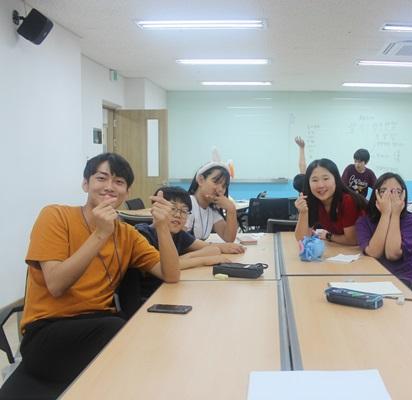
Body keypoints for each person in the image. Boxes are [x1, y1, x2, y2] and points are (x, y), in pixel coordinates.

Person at [3, 153, 180, 397]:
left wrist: (162, 227)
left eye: (119, 182)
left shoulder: (127, 234)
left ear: (127, 192)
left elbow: (170, 274)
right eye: (101, 178)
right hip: (47, 333)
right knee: (117, 331)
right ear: (85, 184)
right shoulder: (55, 216)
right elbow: (56, 285)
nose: (109, 186)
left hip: (98, 325)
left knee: (145, 337)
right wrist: (100, 233)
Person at [356, 173, 412, 297]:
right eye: (384, 191)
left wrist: (394, 214)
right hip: (375, 278)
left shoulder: (411, 222)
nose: (390, 196)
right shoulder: (364, 221)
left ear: (403, 196)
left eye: (396, 192)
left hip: (408, 278)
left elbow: (392, 254)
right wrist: (385, 215)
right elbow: (374, 252)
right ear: (376, 194)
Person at [294, 158, 367, 244]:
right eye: (314, 180)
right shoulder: (313, 201)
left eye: (325, 179)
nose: (320, 185)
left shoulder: (347, 201)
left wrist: (328, 236)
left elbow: (352, 240)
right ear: (308, 183)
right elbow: (302, 239)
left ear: (336, 179)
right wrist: (303, 212)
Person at [187, 162, 238, 242]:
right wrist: (215, 247)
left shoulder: (211, 210)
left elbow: (229, 238)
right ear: (201, 180)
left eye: (224, 186)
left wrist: (231, 209)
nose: (220, 189)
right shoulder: (187, 204)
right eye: (216, 182)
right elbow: (183, 241)